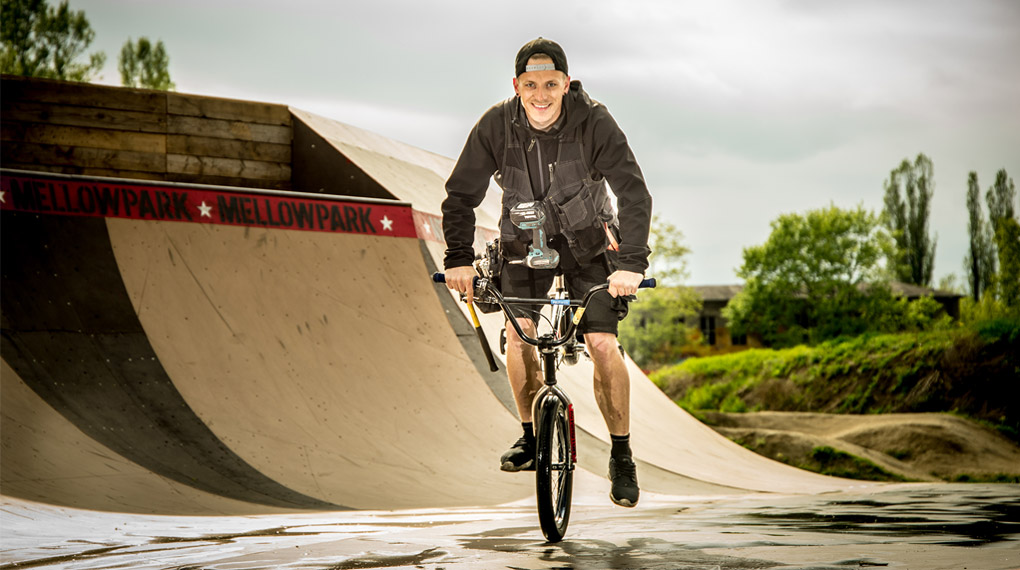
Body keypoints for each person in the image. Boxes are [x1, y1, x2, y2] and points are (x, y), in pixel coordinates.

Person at [441, 37, 652, 508]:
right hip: (523, 246)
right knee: (521, 336)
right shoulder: (496, 125)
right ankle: (530, 436)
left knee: (601, 342)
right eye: (531, 84)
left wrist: (632, 265)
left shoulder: (594, 122)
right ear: (516, 86)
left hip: (590, 247)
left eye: (551, 84)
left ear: (566, 84)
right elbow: (460, 196)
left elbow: (634, 195)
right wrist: (457, 257)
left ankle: (622, 453)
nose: (541, 94)